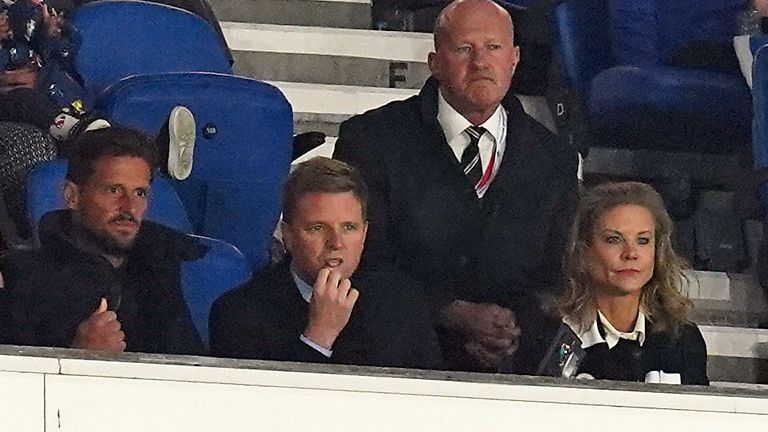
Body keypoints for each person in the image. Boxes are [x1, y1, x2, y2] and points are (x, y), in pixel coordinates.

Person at [333, 0, 578, 372]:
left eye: (493, 48)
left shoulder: (554, 158)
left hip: (516, 359)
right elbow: (363, 262)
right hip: (395, 356)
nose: (480, 62)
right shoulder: (371, 140)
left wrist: (505, 331)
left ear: (514, 58)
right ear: (434, 62)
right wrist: (452, 313)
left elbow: (556, 275)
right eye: (464, 48)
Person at [210, 157, 444, 369]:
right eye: (317, 228)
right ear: (288, 237)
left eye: (349, 227)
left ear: (364, 235)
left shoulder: (402, 301)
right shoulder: (238, 314)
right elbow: (265, 410)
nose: (336, 242)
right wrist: (318, 337)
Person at [0, 126, 205, 355]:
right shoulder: (22, 277)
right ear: (72, 196)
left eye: (140, 193)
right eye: (115, 190)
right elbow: (16, 385)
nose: (129, 208)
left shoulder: (163, 268)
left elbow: (199, 377)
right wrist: (79, 356)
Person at [558, 182, 709, 385]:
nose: (630, 253)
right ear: (584, 250)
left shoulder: (683, 339)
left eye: (643, 240)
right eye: (614, 239)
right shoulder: (550, 333)